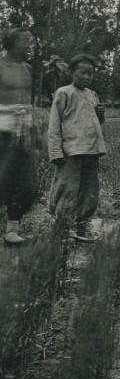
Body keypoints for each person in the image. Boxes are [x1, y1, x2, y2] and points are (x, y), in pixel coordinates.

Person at [48, 53, 106, 243]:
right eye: (83, 73)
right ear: (72, 72)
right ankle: (61, 230)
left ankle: (82, 228)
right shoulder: (64, 92)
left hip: (92, 150)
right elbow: (54, 125)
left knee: (89, 189)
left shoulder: (93, 94)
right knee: (67, 189)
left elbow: (95, 123)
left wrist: (101, 115)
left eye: (91, 74)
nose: (87, 77)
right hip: (71, 151)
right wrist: (55, 151)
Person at [0, 28, 37, 245]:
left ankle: (12, 230)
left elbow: (26, 100)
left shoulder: (27, 68)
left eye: (30, 41)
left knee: (23, 179)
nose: (29, 45)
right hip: (1, 129)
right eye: (25, 41)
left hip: (22, 130)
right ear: (11, 42)